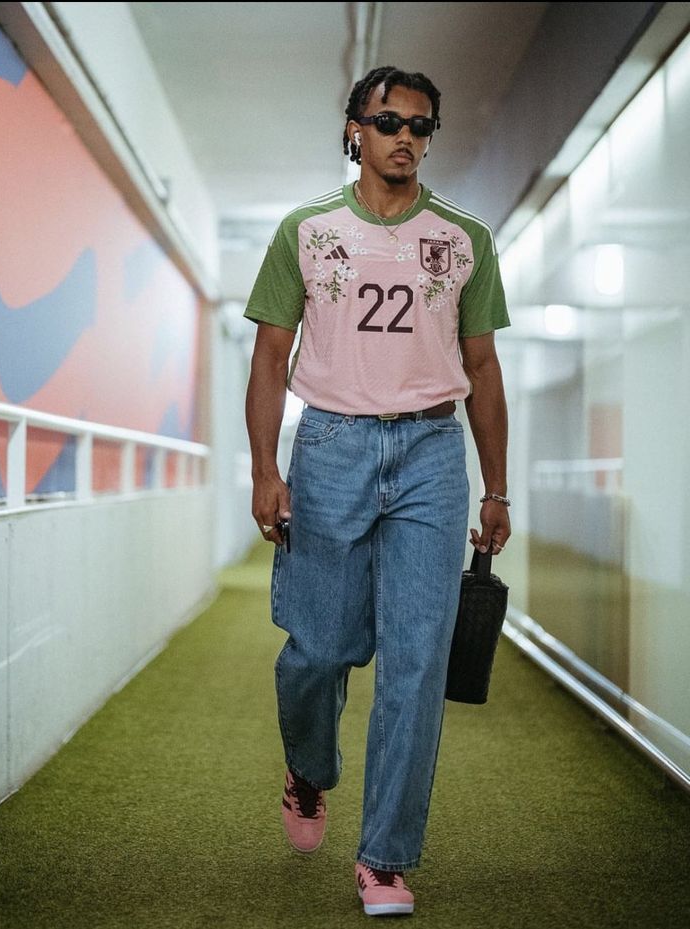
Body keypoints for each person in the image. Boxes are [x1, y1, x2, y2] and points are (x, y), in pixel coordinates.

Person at [244, 65, 511, 917]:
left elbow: (481, 365)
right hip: (332, 444)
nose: (406, 136)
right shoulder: (307, 230)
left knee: (415, 657)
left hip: (434, 450)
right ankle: (308, 770)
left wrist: (496, 487)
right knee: (319, 648)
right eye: (388, 120)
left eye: (422, 126)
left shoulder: (464, 237)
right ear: (353, 128)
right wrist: (265, 468)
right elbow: (267, 358)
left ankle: (387, 858)